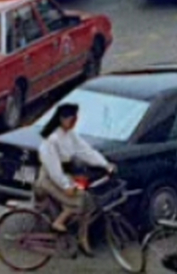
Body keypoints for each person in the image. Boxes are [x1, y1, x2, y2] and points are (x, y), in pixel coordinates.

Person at [36, 103, 114, 254]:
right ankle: (58, 222)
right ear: (62, 119)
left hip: (64, 176)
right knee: (78, 200)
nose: (74, 122)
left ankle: (82, 237)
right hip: (50, 179)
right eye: (71, 119)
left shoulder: (71, 135)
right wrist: (66, 186)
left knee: (88, 202)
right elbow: (53, 168)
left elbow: (86, 151)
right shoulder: (52, 139)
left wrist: (105, 164)